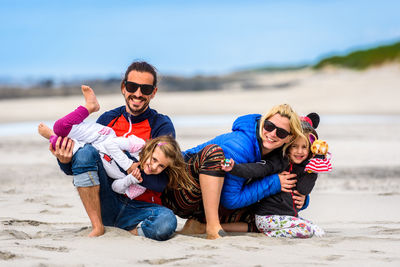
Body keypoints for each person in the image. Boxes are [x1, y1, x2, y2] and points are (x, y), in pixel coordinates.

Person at [50, 61, 179, 240]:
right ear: (123, 88)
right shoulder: (108, 119)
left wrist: (123, 164)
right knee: (86, 151)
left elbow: (161, 181)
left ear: (154, 92)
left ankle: (125, 233)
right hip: (106, 201)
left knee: (166, 223)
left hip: (142, 207)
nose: (138, 94)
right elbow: (82, 163)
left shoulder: (161, 125)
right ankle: (98, 226)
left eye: (146, 89)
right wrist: (63, 161)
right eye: (132, 87)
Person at [162, 104, 307, 239]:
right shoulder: (241, 145)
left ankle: (200, 226)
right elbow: (231, 200)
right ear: (263, 122)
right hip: (179, 189)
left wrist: (302, 199)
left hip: (209, 202)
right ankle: (213, 228)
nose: (272, 134)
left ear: (289, 138)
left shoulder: (278, 155)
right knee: (215, 154)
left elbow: (289, 184)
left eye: (281, 132)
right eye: (269, 126)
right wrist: (274, 183)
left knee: (267, 217)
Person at [222, 113, 331, 238]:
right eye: (295, 146)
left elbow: (303, 189)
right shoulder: (279, 161)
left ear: (311, 149)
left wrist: (315, 164)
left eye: (304, 147)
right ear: (288, 146)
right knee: (305, 230)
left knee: (318, 232)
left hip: (287, 217)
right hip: (268, 217)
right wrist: (235, 168)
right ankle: (266, 236)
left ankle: (274, 233)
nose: (299, 151)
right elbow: (257, 169)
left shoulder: (304, 167)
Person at [38, 85, 147, 198]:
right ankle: (90, 107)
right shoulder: (141, 147)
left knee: (63, 145)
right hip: (102, 137)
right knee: (61, 127)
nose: (154, 166)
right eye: (154, 160)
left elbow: (116, 187)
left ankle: (52, 136)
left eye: (160, 167)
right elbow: (110, 144)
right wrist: (129, 165)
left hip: (93, 153)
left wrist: (130, 179)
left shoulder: (142, 184)